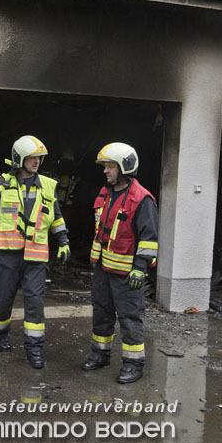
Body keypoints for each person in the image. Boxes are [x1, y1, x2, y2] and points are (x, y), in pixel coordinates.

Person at [0, 136, 71, 369]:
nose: (36, 162)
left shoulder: (47, 185)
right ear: (19, 159)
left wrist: (64, 241)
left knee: (35, 302)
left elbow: (56, 218)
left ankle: (35, 350)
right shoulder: (2, 184)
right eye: (32, 158)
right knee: (3, 299)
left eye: (39, 158)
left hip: (36, 258)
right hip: (7, 255)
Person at [82, 142, 158, 384]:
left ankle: (134, 365)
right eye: (105, 166)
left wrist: (140, 269)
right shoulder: (105, 194)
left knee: (129, 318)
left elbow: (149, 239)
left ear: (125, 167)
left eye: (110, 166)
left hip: (127, 273)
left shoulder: (141, 199)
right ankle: (100, 355)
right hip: (103, 268)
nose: (105, 171)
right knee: (101, 313)